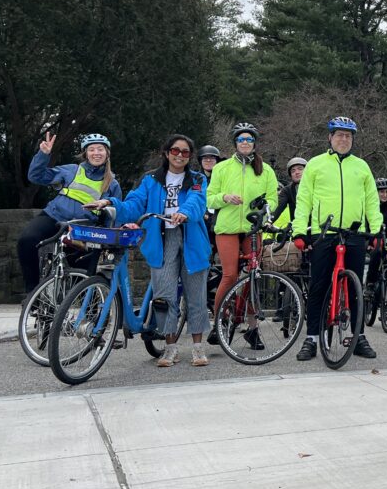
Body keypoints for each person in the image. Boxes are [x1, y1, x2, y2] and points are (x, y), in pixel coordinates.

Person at [87, 135, 212, 367]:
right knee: (164, 296)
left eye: (185, 152)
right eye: (175, 150)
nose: (180, 156)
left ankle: (197, 346)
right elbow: (134, 204)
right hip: (161, 239)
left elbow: (197, 200)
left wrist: (184, 212)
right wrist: (110, 203)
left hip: (191, 239)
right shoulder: (151, 180)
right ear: (166, 153)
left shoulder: (196, 179)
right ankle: (170, 347)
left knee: (196, 295)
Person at [293, 117, 382, 362]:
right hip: (324, 232)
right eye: (339, 135)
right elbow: (304, 200)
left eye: (348, 136)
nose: (344, 139)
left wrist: (375, 231)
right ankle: (312, 338)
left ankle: (358, 336)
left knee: (356, 289)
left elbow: (372, 201)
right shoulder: (315, 164)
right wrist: (300, 231)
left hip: (355, 233)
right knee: (319, 286)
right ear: (330, 138)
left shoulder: (362, 166)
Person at [17, 132, 122, 295]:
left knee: (85, 270)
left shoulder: (112, 184)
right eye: (91, 149)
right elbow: (35, 176)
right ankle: (33, 292)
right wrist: (43, 154)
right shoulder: (71, 170)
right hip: (54, 217)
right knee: (26, 240)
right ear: (85, 153)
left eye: (100, 149)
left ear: (107, 153)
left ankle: (92, 312)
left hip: (83, 228)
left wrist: (109, 241)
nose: (96, 153)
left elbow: (113, 215)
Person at [206, 123, 278, 349]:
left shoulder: (265, 170)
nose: (245, 143)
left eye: (248, 139)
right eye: (240, 140)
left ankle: (252, 328)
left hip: (251, 228)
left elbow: (273, 200)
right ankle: (219, 323)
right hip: (227, 227)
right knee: (229, 276)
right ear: (235, 143)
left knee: (254, 277)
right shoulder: (222, 168)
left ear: (254, 143)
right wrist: (225, 197)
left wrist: (265, 213)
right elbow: (209, 199)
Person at [365, 177, 387, 293]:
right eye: (381, 192)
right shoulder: (371, 206)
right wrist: (370, 240)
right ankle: (370, 282)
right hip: (371, 239)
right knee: (376, 253)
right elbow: (366, 226)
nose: (385, 195)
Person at [267, 157, 307, 238]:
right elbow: (278, 206)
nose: (297, 172)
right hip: (298, 229)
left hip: (316, 229)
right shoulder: (287, 190)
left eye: (300, 169)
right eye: (293, 170)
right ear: (290, 175)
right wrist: (268, 221)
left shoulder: (316, 187)